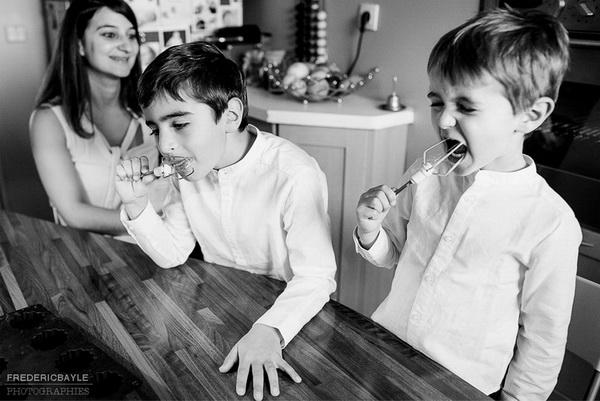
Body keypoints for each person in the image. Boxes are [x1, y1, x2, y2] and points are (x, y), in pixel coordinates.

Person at [354, 7, 581, 401]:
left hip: (461, 388)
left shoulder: (551, 222)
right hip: (384, 352)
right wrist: (371, 230)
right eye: (437, 101)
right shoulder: (426, 174)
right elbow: (393, 254)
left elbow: (543, 339)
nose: (443, 121)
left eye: (467, 107)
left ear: (531, 114)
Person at [114, 42, 337, 401]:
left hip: (290, 323)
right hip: (220, 311)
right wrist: (138, 206)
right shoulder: (187, 172)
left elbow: (316, 277)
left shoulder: (293, 174)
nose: (166, 145)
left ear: (230, 115)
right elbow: (173, 253)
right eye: (156, 129)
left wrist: (270, 330)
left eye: (180, 124)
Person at [29, 0, 165, 239]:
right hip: (89, 260)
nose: (126, 46)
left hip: (161, 249)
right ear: (80, 44)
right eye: (110, 34)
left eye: (131, 35)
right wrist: (149, 223)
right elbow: (74, 213)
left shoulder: (149, 108)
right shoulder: (49, 120)